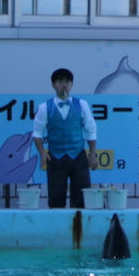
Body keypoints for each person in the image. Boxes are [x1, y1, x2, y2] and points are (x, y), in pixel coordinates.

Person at [32, 68, 98, 208]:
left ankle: (79, 228)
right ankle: (58, 228)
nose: (64, 85)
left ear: (71, 84)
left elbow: (91, 130)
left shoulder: (82, 104)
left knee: (81, 198)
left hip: (78, 156)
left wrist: (92, 154)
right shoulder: (44, 107)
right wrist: (43, 153)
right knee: (56, 198)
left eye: (67, 81)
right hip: (55, 157)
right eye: (60, 81)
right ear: (53, 85)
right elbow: (37, 134)